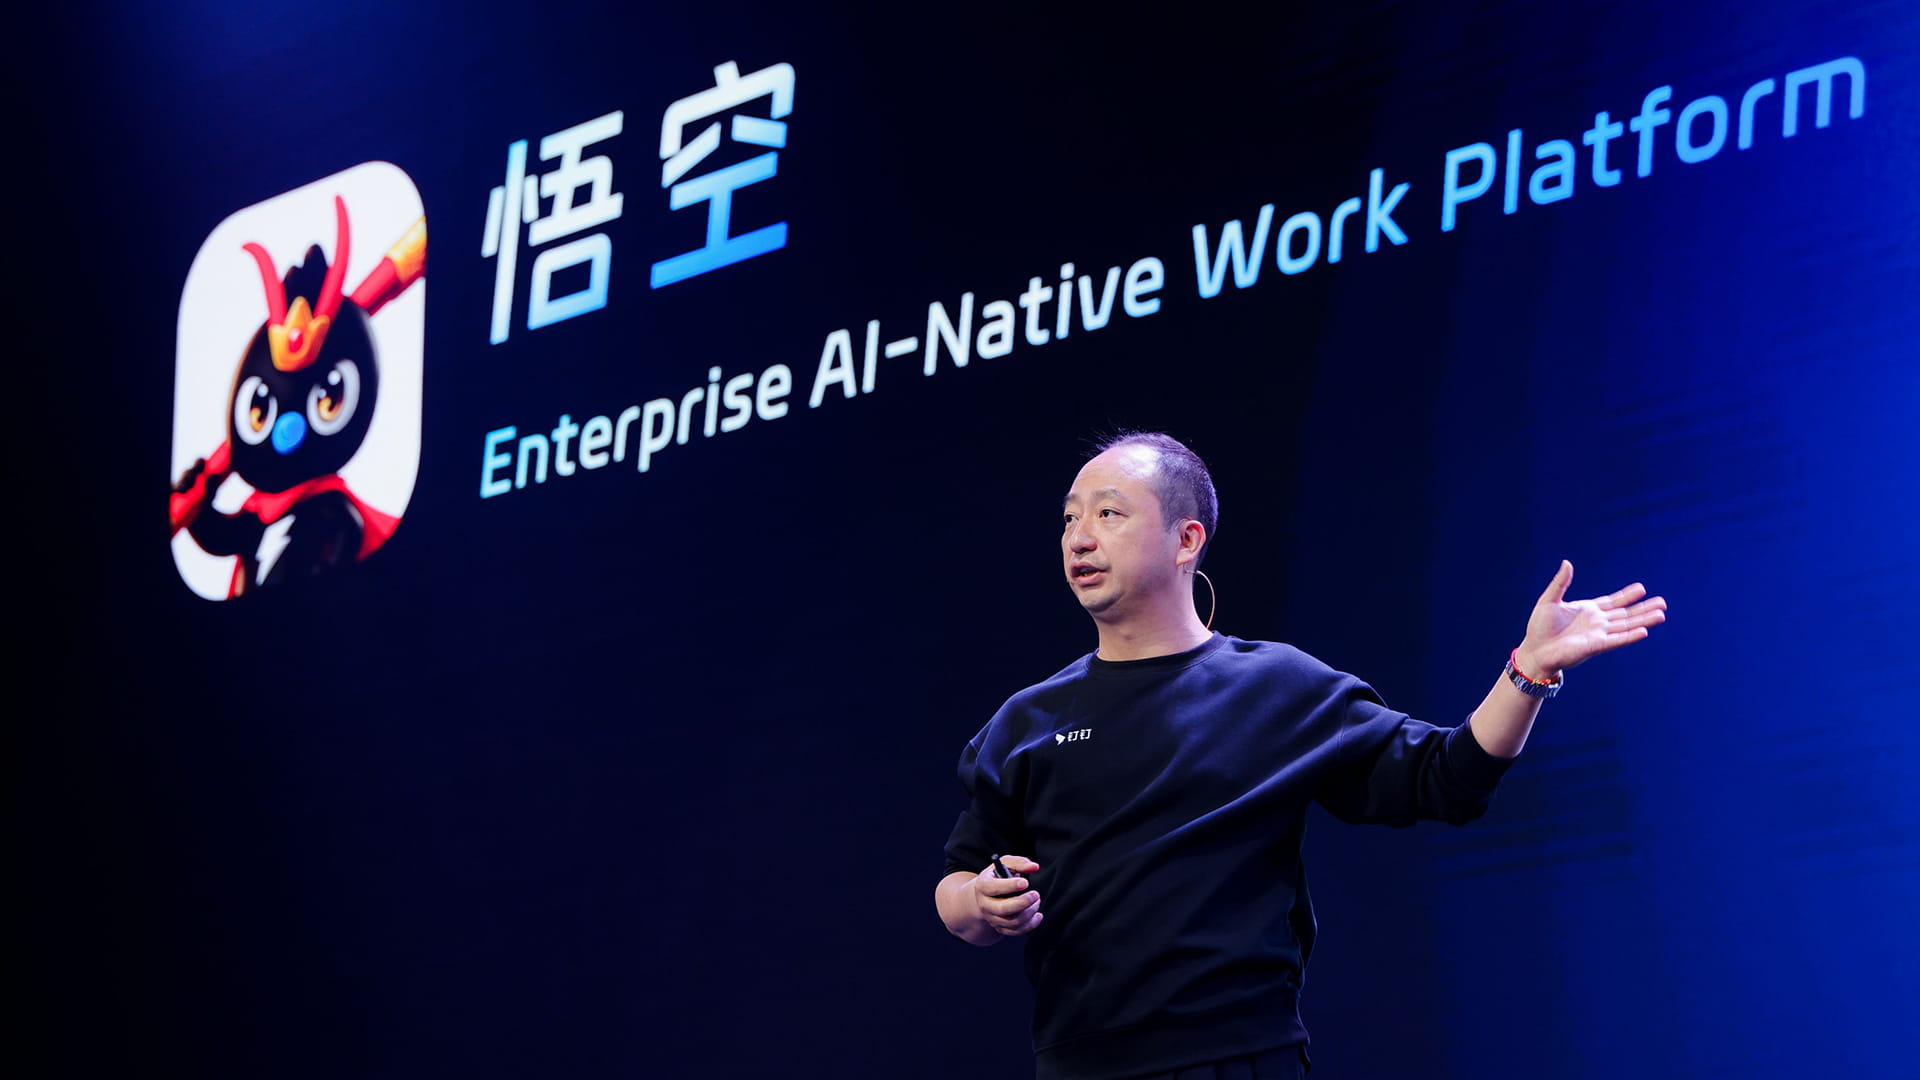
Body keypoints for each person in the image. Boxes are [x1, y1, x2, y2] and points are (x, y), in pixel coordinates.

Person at [933, 431, 1667, 1080]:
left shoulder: (1277, 688)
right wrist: (979, 901)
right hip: (1079, 1062)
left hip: (1240, 1056)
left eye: (1108, 513)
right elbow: (959, 885)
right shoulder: (1029, 720)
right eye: (1069, 518)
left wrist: (1528, 672)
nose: (1079, 538)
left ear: (1187, 540)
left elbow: (1446, 776)